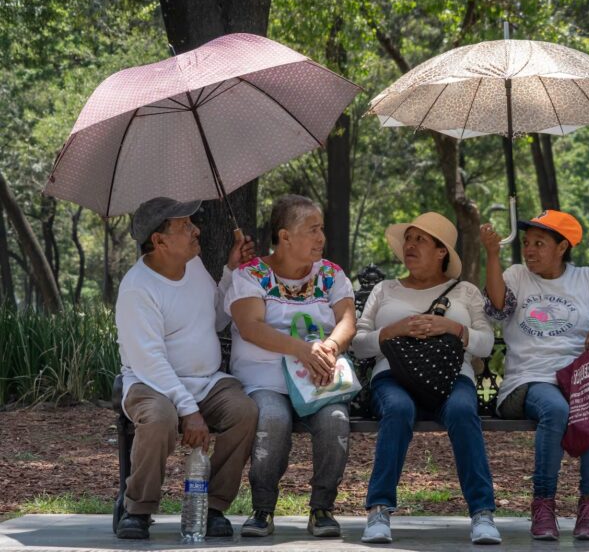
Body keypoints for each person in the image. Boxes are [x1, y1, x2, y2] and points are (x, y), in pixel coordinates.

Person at [480, 210, 589, 541]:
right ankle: (543, 506)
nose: (529, 250)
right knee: (556, 409)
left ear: (562, 247)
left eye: (539, 244)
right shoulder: (515, 275)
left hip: (577, 379)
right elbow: (497, 308)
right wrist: (492, 255)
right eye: (527, 243)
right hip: (526, 382)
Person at [351, 212, 501, 545]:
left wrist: (453, 328)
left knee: (463, 411)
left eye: (421, 239)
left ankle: (482, 514)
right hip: (391, 376)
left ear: (441, 252)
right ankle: (378, 510)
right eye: (408, 238)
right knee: (399, 409)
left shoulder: (465, 291)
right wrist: (393, 331)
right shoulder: (384, 289)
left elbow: (487, 344)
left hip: (453, 377)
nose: (410, 245)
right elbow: (359, 345)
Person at [115, 197, 258, 540]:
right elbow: (149, 360)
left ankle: (212, 507)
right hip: (151, 383)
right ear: (159, 240)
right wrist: (188, 408)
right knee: (160, 418)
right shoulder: (138, 288)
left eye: (192, 223)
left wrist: (230, 271)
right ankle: (137, 509)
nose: (197, 230)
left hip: (207, 382)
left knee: (244, 412)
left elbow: (218, 316)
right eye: (185, 226)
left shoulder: (192, 266)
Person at [226, 195, 357, 538]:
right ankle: (263, 509)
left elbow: (346, 320)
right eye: (312, 230)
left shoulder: (330, 274)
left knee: (335, 421)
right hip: (265, 378)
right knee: (273, 418)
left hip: (319, 378)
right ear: (285, 236)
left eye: (322, 229)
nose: (320, 238)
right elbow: (251, 326)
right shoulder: (251, 275)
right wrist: (302, 349)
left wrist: (328, 347)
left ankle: (323, 508)